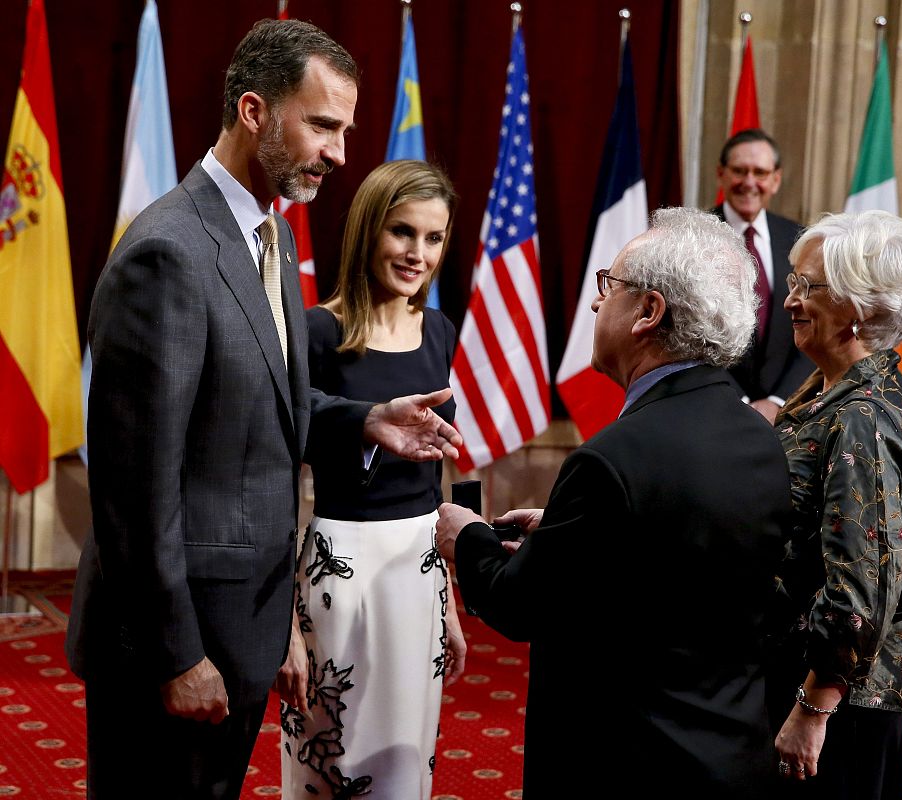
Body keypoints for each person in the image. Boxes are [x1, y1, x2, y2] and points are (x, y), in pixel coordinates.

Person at [65, 20, 461, 800]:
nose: (340, 152)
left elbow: (258, 402)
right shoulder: (167, 251)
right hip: (174, 648)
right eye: (322, 125)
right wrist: (179, 655)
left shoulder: (270, 238)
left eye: (343, 129)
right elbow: (133, 484)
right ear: (254, 112)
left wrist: (363, 420)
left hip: (240, 630)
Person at [435, 207, 792, 798]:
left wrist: (465, 537)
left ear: (649, 313)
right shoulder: (759, 435)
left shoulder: (611, 459)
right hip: (730, 754)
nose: (597, 304)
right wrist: (566, 528)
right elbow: (680, 549)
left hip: (625, 764)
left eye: (610, 286)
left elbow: (520, 605)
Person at [279, 160, 467, 799]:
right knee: (329, 765)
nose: (418, 253)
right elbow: (280, 462)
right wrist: (286, 628)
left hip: (418, 575)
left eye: (434, 238)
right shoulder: (316, 330)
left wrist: (448, 599)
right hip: (340, 574)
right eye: (402, 232)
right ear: (367, 231)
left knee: (405, 767)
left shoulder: (440, 331)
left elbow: (434, 477)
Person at [766, 210, 902, 799]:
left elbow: (861, 587)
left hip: (838, 706)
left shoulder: (862, 415)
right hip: (816, 682)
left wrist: (812, 712)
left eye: (807, 286)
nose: (790, 299)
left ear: (860, 308)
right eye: (792, 281)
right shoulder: (832, 391)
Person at [713, 127, 814, 423]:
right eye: (739, 171)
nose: (749, 182)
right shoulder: (693, 236)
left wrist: (776, 401)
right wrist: (738, 400)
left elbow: (814, 323)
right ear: (721, 174)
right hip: (713, 406)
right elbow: (684, 332)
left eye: (760, 172)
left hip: (785, 414)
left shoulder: (800, 240)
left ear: (775, 179)